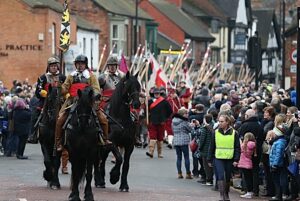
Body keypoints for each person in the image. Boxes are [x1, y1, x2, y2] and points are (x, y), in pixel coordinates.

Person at [54, 54, 109, 151]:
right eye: (78, 63)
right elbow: (64, 89)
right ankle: (58, 142)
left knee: (103, 119)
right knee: (60, 120)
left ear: (85, 65)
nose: (80, 65)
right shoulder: (71, 76)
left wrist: (94, 96)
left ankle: (105, 139)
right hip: (73, 101)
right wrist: (60, 86)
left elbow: (96, 88)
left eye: (82, 64)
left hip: (87, 102)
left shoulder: (91, 76)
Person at [29, 57, 66, 142]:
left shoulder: (62, 77)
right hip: (46, 100)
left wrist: (66, 94)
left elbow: (66, 88)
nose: (54, 67)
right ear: (48, 67)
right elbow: (38, 90)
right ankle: (33, 134)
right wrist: (45, 93)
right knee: (35, 113)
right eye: (52, 66)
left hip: (60, 100)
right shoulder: (43, 77)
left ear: (58, 67)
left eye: (55, 66)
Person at [208, 114, 241, 201]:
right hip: (218, 157)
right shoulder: (215, 132)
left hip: (229, 158)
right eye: (219, 121)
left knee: (227, 176)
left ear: (227, 122)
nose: (220, 123)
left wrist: (236, 159)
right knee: (220, 175)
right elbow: (212, 146)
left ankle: (226, 194)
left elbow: (237, 147)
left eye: (222, 121)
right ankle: (222, 196)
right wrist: (209, 159)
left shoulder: (234, 133)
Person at [146, 87, 172, 158]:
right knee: (152, 137)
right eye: (155, 93)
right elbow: (146, 111)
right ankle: (151, 152)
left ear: (160, 94)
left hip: (161, 122)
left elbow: (170, 111)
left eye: (158, 93)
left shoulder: (165, 102)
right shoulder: (149, 102)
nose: (156, 94)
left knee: (160, 138)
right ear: (153, 94)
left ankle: (159, 153)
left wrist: (165, 118)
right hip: (152, 121)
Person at [172, 107, 193, 179]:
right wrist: (192, 125)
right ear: (182, 114)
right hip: (184, 141)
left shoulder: (173, 121)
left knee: (179, 157)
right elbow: (190, 130)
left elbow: (173, 130)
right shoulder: (184, 122)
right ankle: (188, 173)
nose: (187, 114)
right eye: (186, 113)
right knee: (186, 157)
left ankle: (179, 173)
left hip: (176, 140)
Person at [238, 132, 256, 199]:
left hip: (244, 163)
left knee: (247, 178)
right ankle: (250, 191)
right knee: (250, 177)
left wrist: (240, 141)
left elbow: (241, 148)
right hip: (249, 162)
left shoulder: (245, 145)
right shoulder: (253, 144)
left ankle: (248, 192)